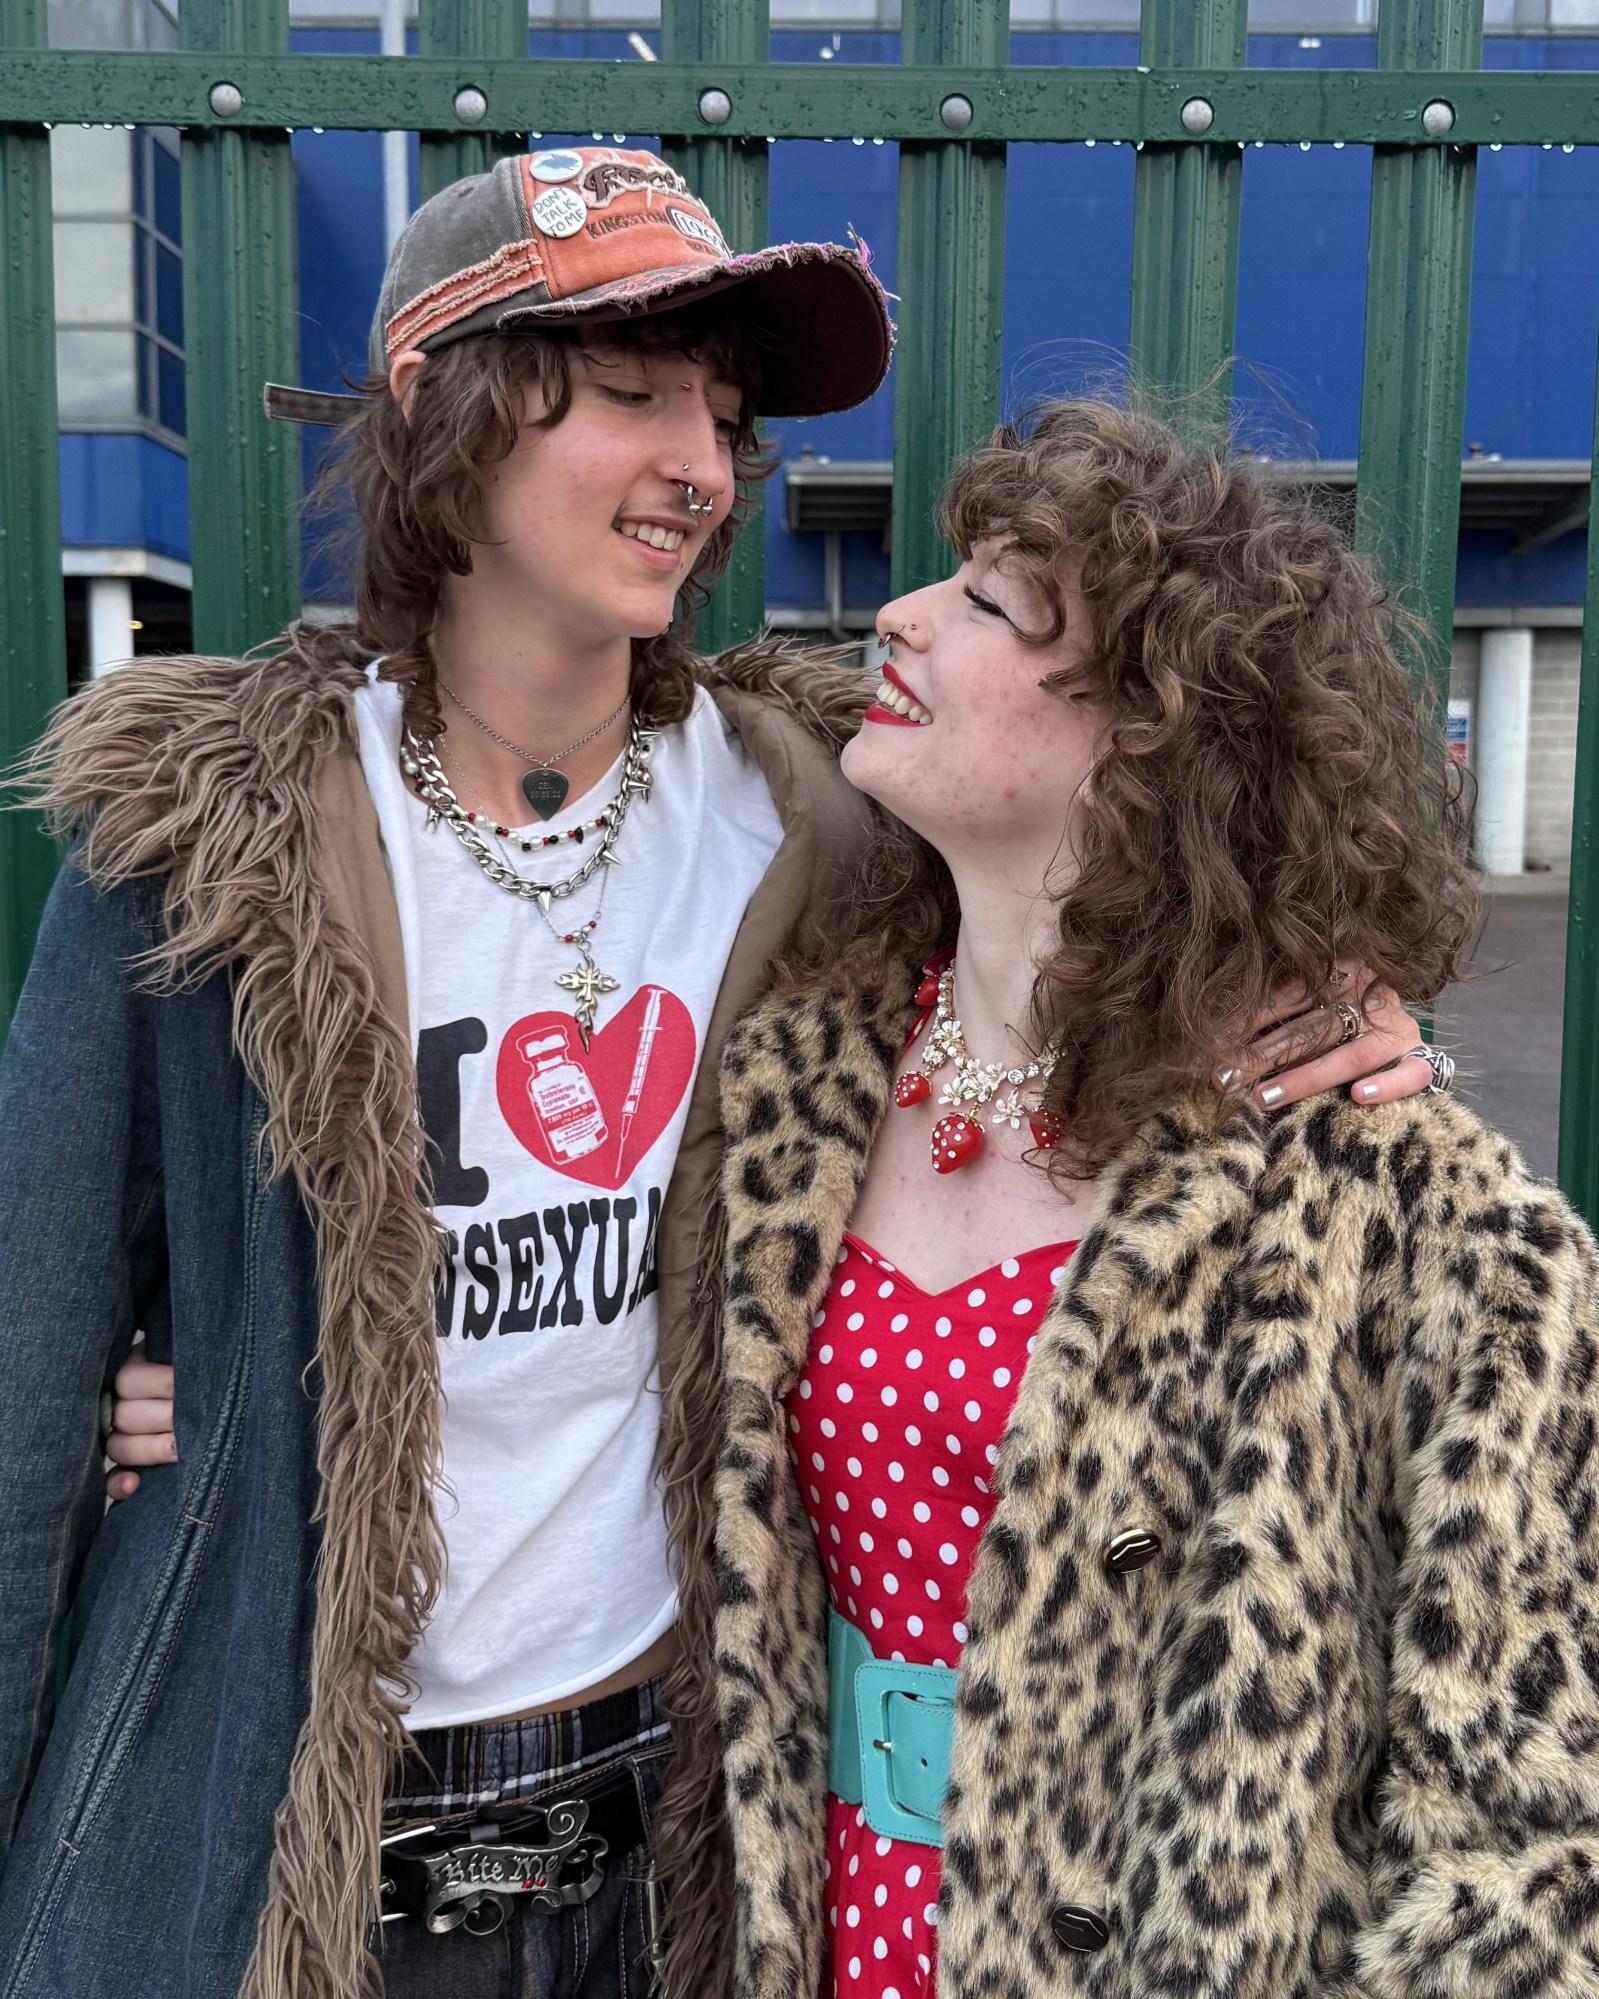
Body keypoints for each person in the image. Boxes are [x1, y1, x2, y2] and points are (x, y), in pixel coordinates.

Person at [41, 158, 1422, 1999]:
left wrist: (1338, 999)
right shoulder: (202, 838)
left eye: (723, 413)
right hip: (286, 1838)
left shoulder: (830, 814)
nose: (698, 461)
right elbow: (34, 1357)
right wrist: (214, 1396)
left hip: (685, 1852)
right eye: (632, 392)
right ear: (439, 407)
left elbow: (1151, 858)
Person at [677, 399, 1599, 1999]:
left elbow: (1535, 1854)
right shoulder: (786, 1091)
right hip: (824, 1941)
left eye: (985, 600)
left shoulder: (1419, 1221)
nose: (898, 614)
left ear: (1158, 731)